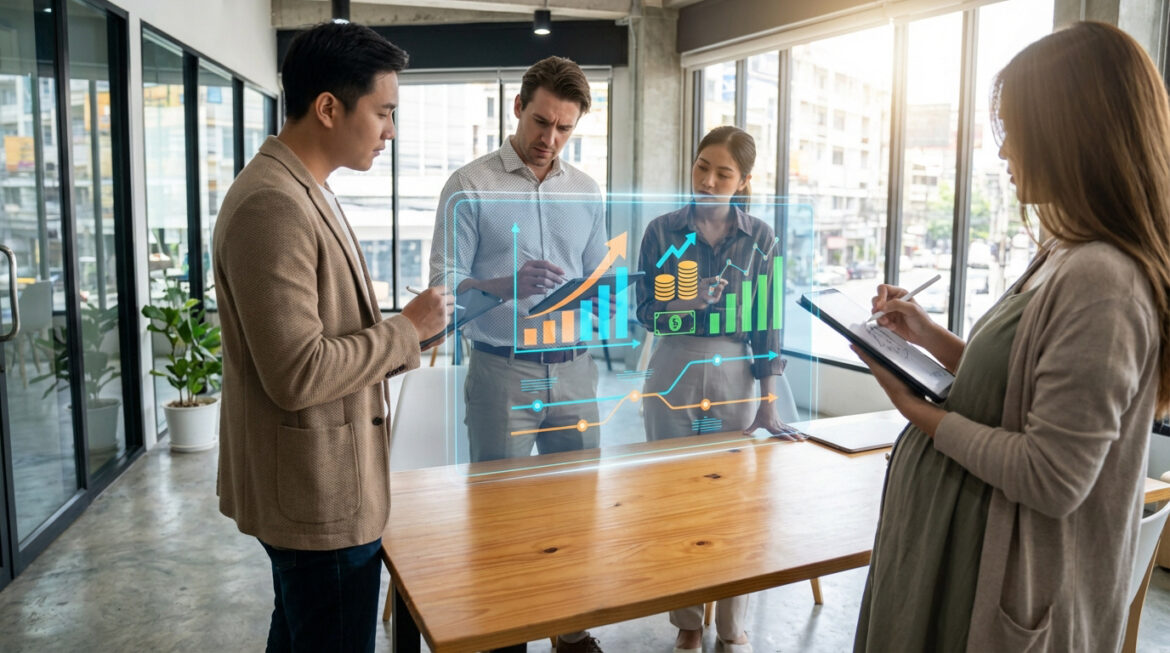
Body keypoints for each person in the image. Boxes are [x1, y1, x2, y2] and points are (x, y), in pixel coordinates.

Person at [853, 22, 1170, 653]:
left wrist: (917, 411)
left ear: (1071, 134)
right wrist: (929, 336)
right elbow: (1019, 385)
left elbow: (1051, 475)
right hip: (950, 556)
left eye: (1016, 131)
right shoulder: (1063, 251)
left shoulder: (1103, 278)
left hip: (990, 578)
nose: (1005, 153)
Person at [213, 22, 452, 653]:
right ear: (327, 108)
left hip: (321, 487)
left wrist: (411, 334)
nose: (390, 131)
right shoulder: (273, 205)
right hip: (317, 495)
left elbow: (327, 331)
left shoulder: (304, 187)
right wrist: (405, 330)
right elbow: (297, 372)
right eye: (383, 112)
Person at [427, 56, 607, 653]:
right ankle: (505, 636)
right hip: (502, 370)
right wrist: (506, 285)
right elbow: (444, 288)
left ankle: (570, 631)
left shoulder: (587, 191)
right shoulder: (469, 185)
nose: (549, 139)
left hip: (575, 369)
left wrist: (606, 291)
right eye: (540, 121)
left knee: (574, 510)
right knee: (499, 517)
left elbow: (594, 275)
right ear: (517, 107)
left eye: (564, 128)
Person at [636, 126, 798, 653]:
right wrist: (690, 300)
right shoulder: (662, 231)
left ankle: (732, 625)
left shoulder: (761, 237)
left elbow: (768, 322)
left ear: (743, 181)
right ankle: (687, 621)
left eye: (723, 173)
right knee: (675, 498)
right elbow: (646, 311)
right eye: (702, 166)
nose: (708, 180)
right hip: (673, 363)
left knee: (733, 502)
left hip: (736, 368)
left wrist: (769, 400)